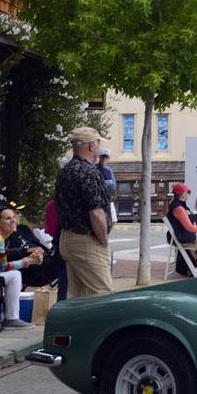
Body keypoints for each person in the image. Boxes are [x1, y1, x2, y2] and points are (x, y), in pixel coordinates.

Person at [55, 126, 114, 298]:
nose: (99, 147)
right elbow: (96, 212)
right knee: (103, 295)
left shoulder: (65, 171)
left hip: (67, 239)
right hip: (86, 240)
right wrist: (103, 241)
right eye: (98, 143)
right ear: (90, 146)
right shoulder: (88, 172)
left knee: (78, 297)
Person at [44, 198, 68, 301]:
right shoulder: (72, 203)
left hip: (59, 245)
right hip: (75, 245)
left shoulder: (50, 205)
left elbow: (50, 230)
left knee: (64, 284)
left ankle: (61, 312)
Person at [97, 148, 117, 223]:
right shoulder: (94, 168)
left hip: (108, 198)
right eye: (102, 157)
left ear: (108, 158)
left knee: (113, 220)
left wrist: (113, 195)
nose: (104, 159)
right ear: (99, 157)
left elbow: (113, 185)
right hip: (98, 200)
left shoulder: (109, 170)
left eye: (106, 157)